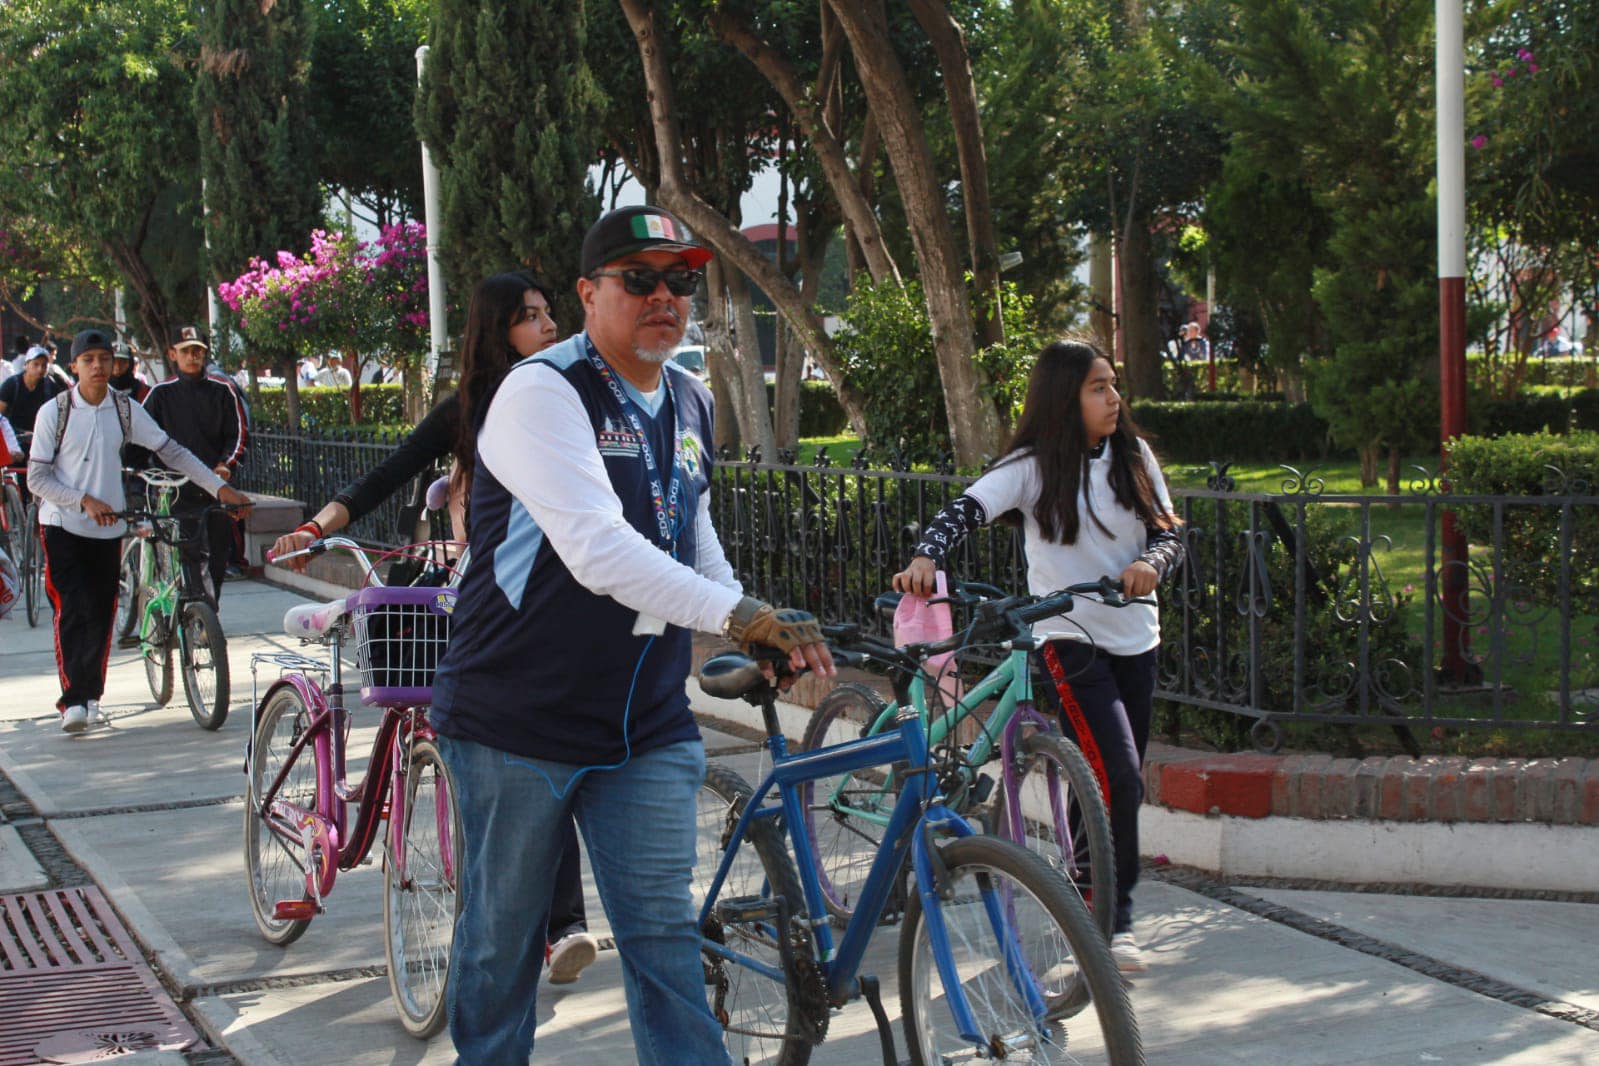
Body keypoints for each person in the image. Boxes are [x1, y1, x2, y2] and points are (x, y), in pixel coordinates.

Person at [429, 205, 834, 1062]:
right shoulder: (540, 390)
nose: (665, 297)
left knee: (663, 941)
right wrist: (737, 614)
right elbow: (597, 549)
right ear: (586, 293)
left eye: (680, 280)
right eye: (639, 278)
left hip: (642, 720)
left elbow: (694, 533)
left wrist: (750, 616)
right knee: (501, 948)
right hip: (517, 717)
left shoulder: (689, 397)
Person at [271, 272, 604, 985]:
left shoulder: (566, 401)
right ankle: (543, 924)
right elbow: (387, 475)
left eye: (549, 314)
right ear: (497, 330)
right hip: (478, 602)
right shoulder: (471, 410)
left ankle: (564, 925)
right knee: (517, 753)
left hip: (547, 602)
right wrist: (314, 525)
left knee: (547, 755)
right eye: (530, 316)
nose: (548, 327)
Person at [892, 336, 1185, 975]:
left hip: (1137, 634)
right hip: (1066, 634)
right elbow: (965, 510)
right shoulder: (1031, 465)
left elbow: (1169, 532)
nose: (1113, 399)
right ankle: (1110, 925)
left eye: (1113, 385)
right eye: (1098, 388)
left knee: (1109, 782)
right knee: (1120, 775)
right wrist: (926, 557)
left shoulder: (1133, 455)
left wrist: (1150, 563)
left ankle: (1094, 901)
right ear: (1064, 398)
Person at [27, 329, 250, 733]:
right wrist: (81, 500)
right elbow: (37, 478)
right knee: (73, 609)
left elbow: (171, 450)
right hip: (62, 524)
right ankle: (73, 701)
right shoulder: (54, 413)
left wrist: (219, 486)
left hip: (109, 527)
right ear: (74, 366)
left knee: (101, 612)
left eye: (104, 358)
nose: (97, 366)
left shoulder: (125, 409)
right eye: (88, 359)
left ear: (114, 364)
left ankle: (91, 694)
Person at [139, 325, 248, 607]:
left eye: (197, 351)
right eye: (186, 351)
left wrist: (226, 465)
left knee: (219, 554)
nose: (192, 356)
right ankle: (195, 610)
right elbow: (142, 438)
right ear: (173, 354)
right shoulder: (160, 395)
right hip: (176, 490)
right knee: (188, 553)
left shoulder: (223, 391)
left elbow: (238, 435)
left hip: (216, 488)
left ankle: (207, 612)